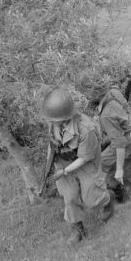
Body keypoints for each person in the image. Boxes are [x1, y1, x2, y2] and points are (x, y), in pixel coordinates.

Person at [41, 88, 114, 244]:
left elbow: (84, 158)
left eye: (55, 119)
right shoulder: (54, 122)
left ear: (66, 115)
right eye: (51, 119)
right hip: (63, 160)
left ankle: (107, 200)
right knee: (70, 196)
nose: (52, 122)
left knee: (92, 198)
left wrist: (64, 171)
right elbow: (52, 144)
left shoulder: (86, 129)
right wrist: (50, 166)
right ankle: (78, 229)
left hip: (85, 159)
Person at [79, 74, 131, 202]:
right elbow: (126, 110)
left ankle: (112, 197)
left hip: (128, 144)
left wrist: (119, 170)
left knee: (100, 165)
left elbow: (119, 144)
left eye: (86, 92)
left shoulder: (106, 115)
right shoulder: (113, 92)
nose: (85, 96)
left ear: (95, 92)